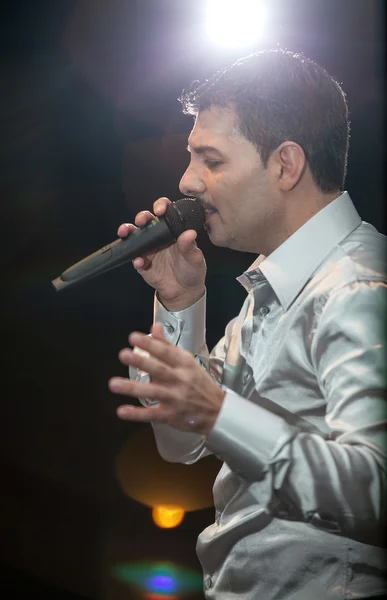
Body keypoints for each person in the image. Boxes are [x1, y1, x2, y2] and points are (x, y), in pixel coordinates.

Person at [108, 49, 387, 599]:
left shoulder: (358, 289)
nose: (187, 181)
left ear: (286, 165)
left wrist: (219, 411)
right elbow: (180, 446)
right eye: (191, 157)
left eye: (210, 160)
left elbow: (376, 494)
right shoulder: (271, 288)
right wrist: (183, 299)